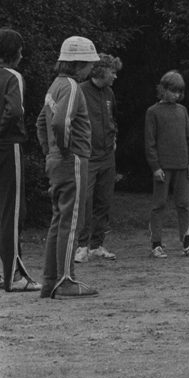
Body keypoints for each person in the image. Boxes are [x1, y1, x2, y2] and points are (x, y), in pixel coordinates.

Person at [35, 36, 100, 298]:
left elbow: (42, 123)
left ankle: (50, 280)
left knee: (58, 219)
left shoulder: (55, 86)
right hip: (72, 158)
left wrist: (50, 151)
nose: (91, 70)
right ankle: (66, 280)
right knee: (72, 220)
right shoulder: (72, 86)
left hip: (57, 159)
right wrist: (64, 150)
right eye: (89, 64)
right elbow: (61, 123)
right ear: (79, 63)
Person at [0, 28, 40, 292]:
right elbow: (15, 110)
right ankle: (14, 275)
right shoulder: (13, 76)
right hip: (6, 146)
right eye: (20, 50)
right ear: (13, 52)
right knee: (12, 211)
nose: (22, 56)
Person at [145, 70, 189, 259]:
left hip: (182, 167)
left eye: (179, 92)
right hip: (162, 168)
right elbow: (149, 143)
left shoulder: (182, 111)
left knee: (184, 205)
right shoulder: (153, 112)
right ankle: (156, 245)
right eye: (173, 91)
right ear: (163, 89)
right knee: (158, 205)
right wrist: (155, 167)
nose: (176, 95)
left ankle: (187, 244)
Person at [74, 54, 121, 263]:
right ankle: (81, 246)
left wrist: (114, 135)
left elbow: (113, 118)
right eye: (113, 72)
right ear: (102, 70)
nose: (115, 76)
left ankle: (96, 245)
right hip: (88, 156)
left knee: (104, 201)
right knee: (85, 200)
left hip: (107, 155)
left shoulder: (110, 92)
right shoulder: (80, 91)